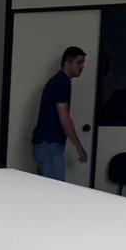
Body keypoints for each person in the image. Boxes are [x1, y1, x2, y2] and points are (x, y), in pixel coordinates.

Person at [31, 47, 87, 181]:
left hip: (46, 144)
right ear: (67, 63)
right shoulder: (61, 83)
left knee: (49, 187)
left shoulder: (60, 82)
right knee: (56, 189)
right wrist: (79, 146)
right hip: (49, 144)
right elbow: (64, 117)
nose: (82, 67)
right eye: (79, 62)